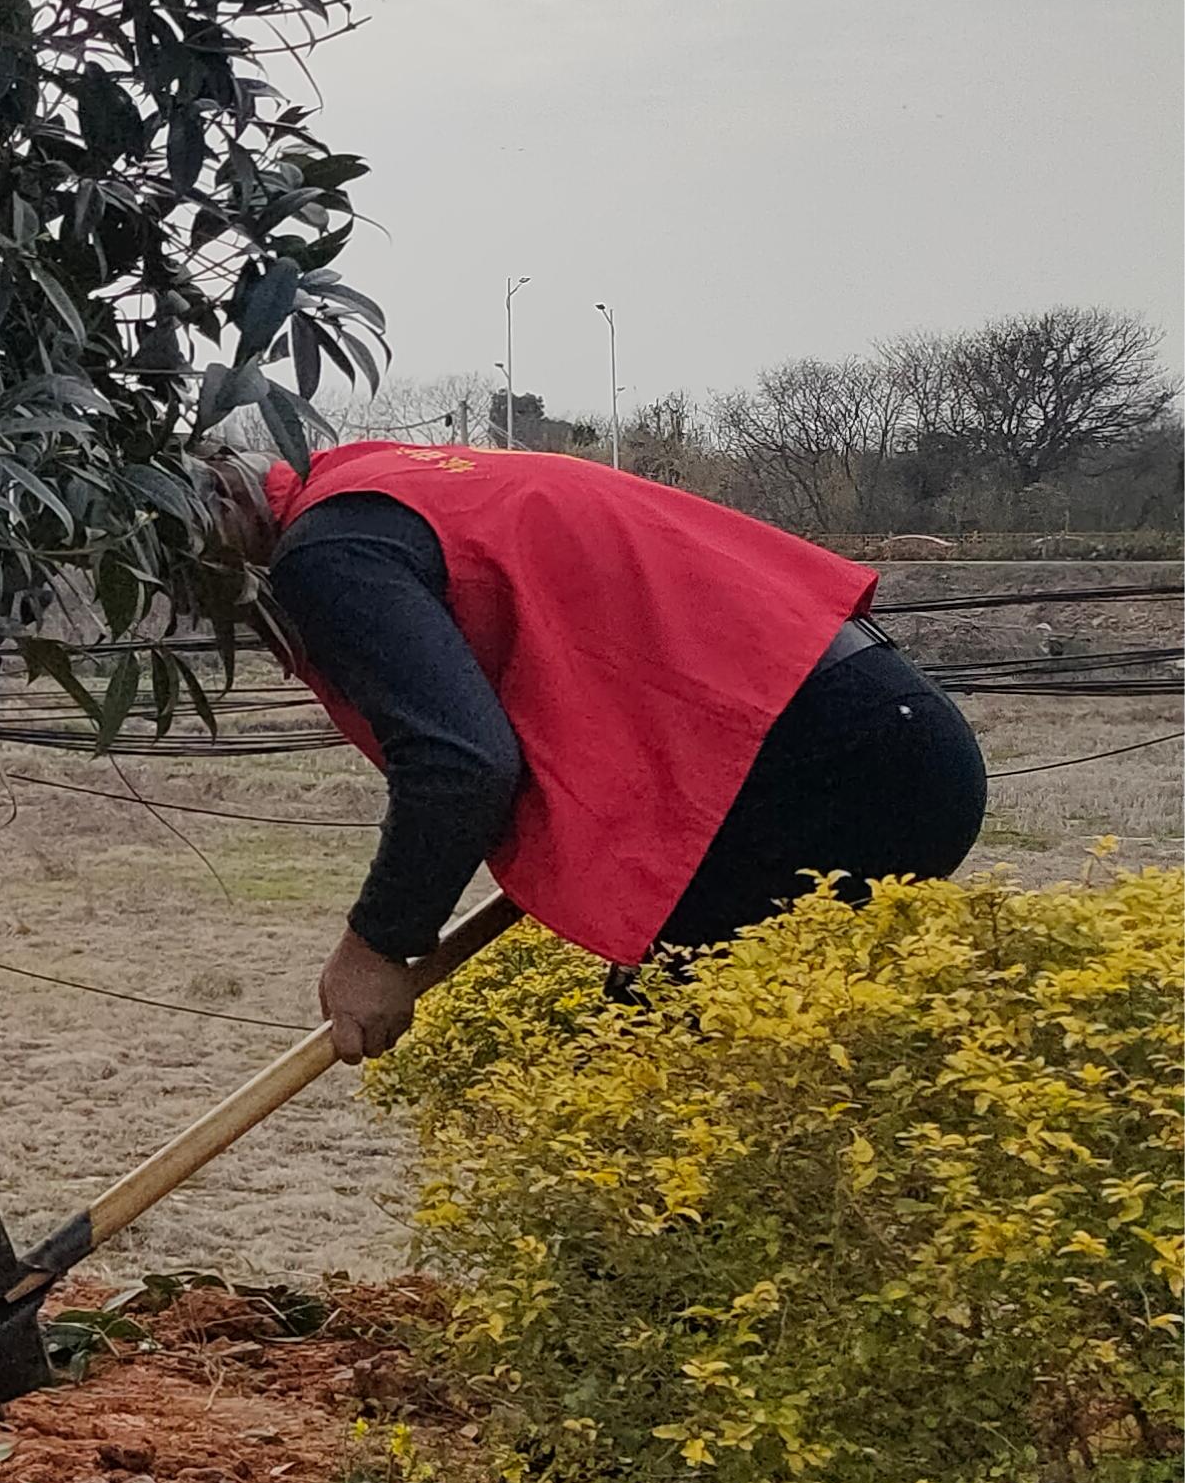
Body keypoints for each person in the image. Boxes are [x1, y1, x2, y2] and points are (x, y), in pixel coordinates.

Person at [200, 440, 986, 1059]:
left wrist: (376, 945)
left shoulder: (326, 550)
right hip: (876, 733)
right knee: (731, 1077)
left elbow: (459, 763)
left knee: (664, 1094)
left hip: (824, 768)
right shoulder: (382, 484)